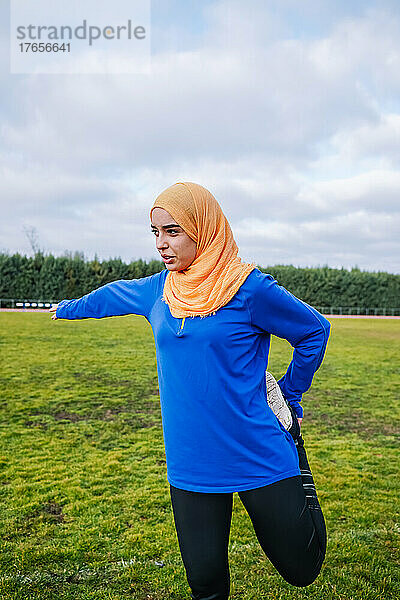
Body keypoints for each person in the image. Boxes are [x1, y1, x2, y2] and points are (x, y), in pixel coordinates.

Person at [50, 182, 331, 600]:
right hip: (192, 459)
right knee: (205, 585)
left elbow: (314, 331)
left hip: (256, 448)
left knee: (302, 568)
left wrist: (290, 394)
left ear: (203, 227)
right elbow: (114, 293)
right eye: (155, 232)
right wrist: (67, 308)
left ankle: (298, 459)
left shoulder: (248, 288)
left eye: (173, 231)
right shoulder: (159, 290)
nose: (161, 244)